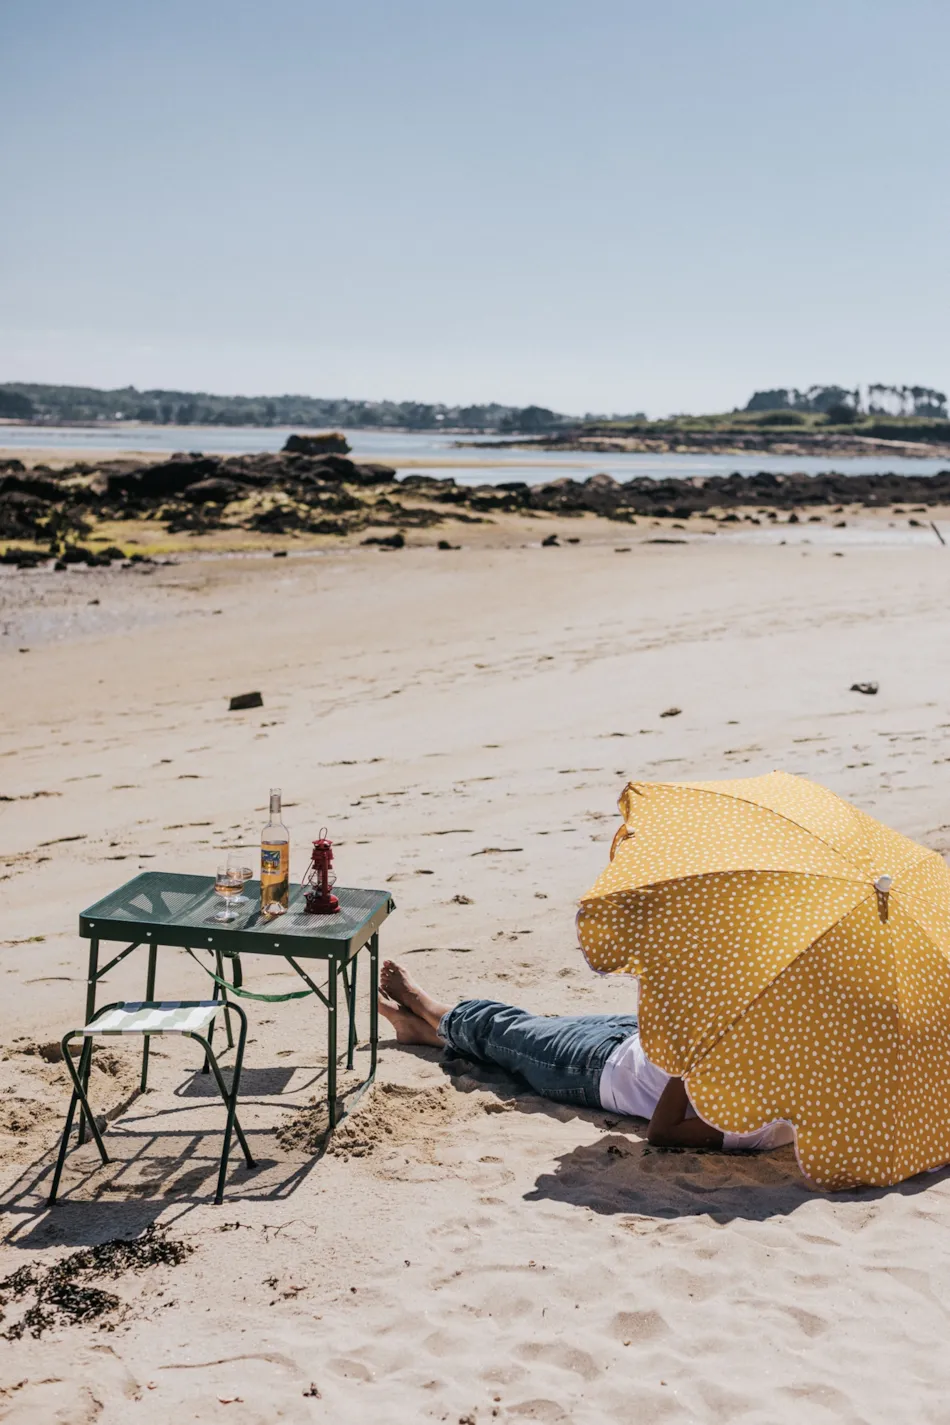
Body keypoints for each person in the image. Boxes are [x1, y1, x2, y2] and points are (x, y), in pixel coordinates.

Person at [378, 961, 794, 1152]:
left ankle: (423, 1004)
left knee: (506, 1030)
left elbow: (664, 1132)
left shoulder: (759, 1128)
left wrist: (688, 1063)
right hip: (632, 1036)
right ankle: (422, 1033)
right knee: (524, 1037)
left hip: (598, 1071)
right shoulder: (801, 1060)